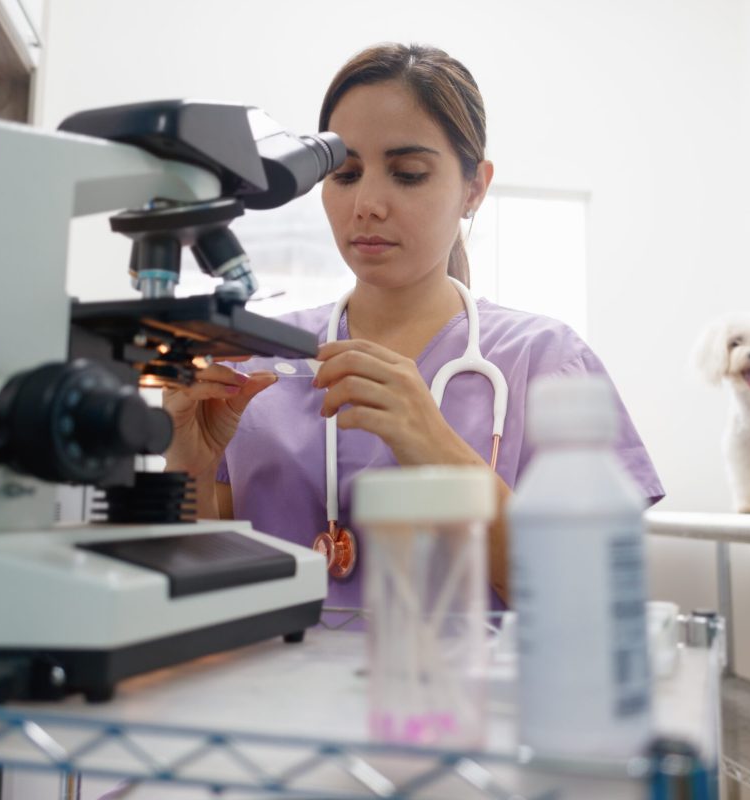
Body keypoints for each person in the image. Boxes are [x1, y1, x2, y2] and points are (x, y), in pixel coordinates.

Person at [162, 43, 663, 608]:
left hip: (467, 694)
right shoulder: (256, 363)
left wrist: (434, 442)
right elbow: (196, 594)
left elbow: (589, 603)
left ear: (475, 188)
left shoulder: (548, 363)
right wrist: (189, 464)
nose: (368, 204)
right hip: (270, 690)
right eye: (346, 174)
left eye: (408, 173)